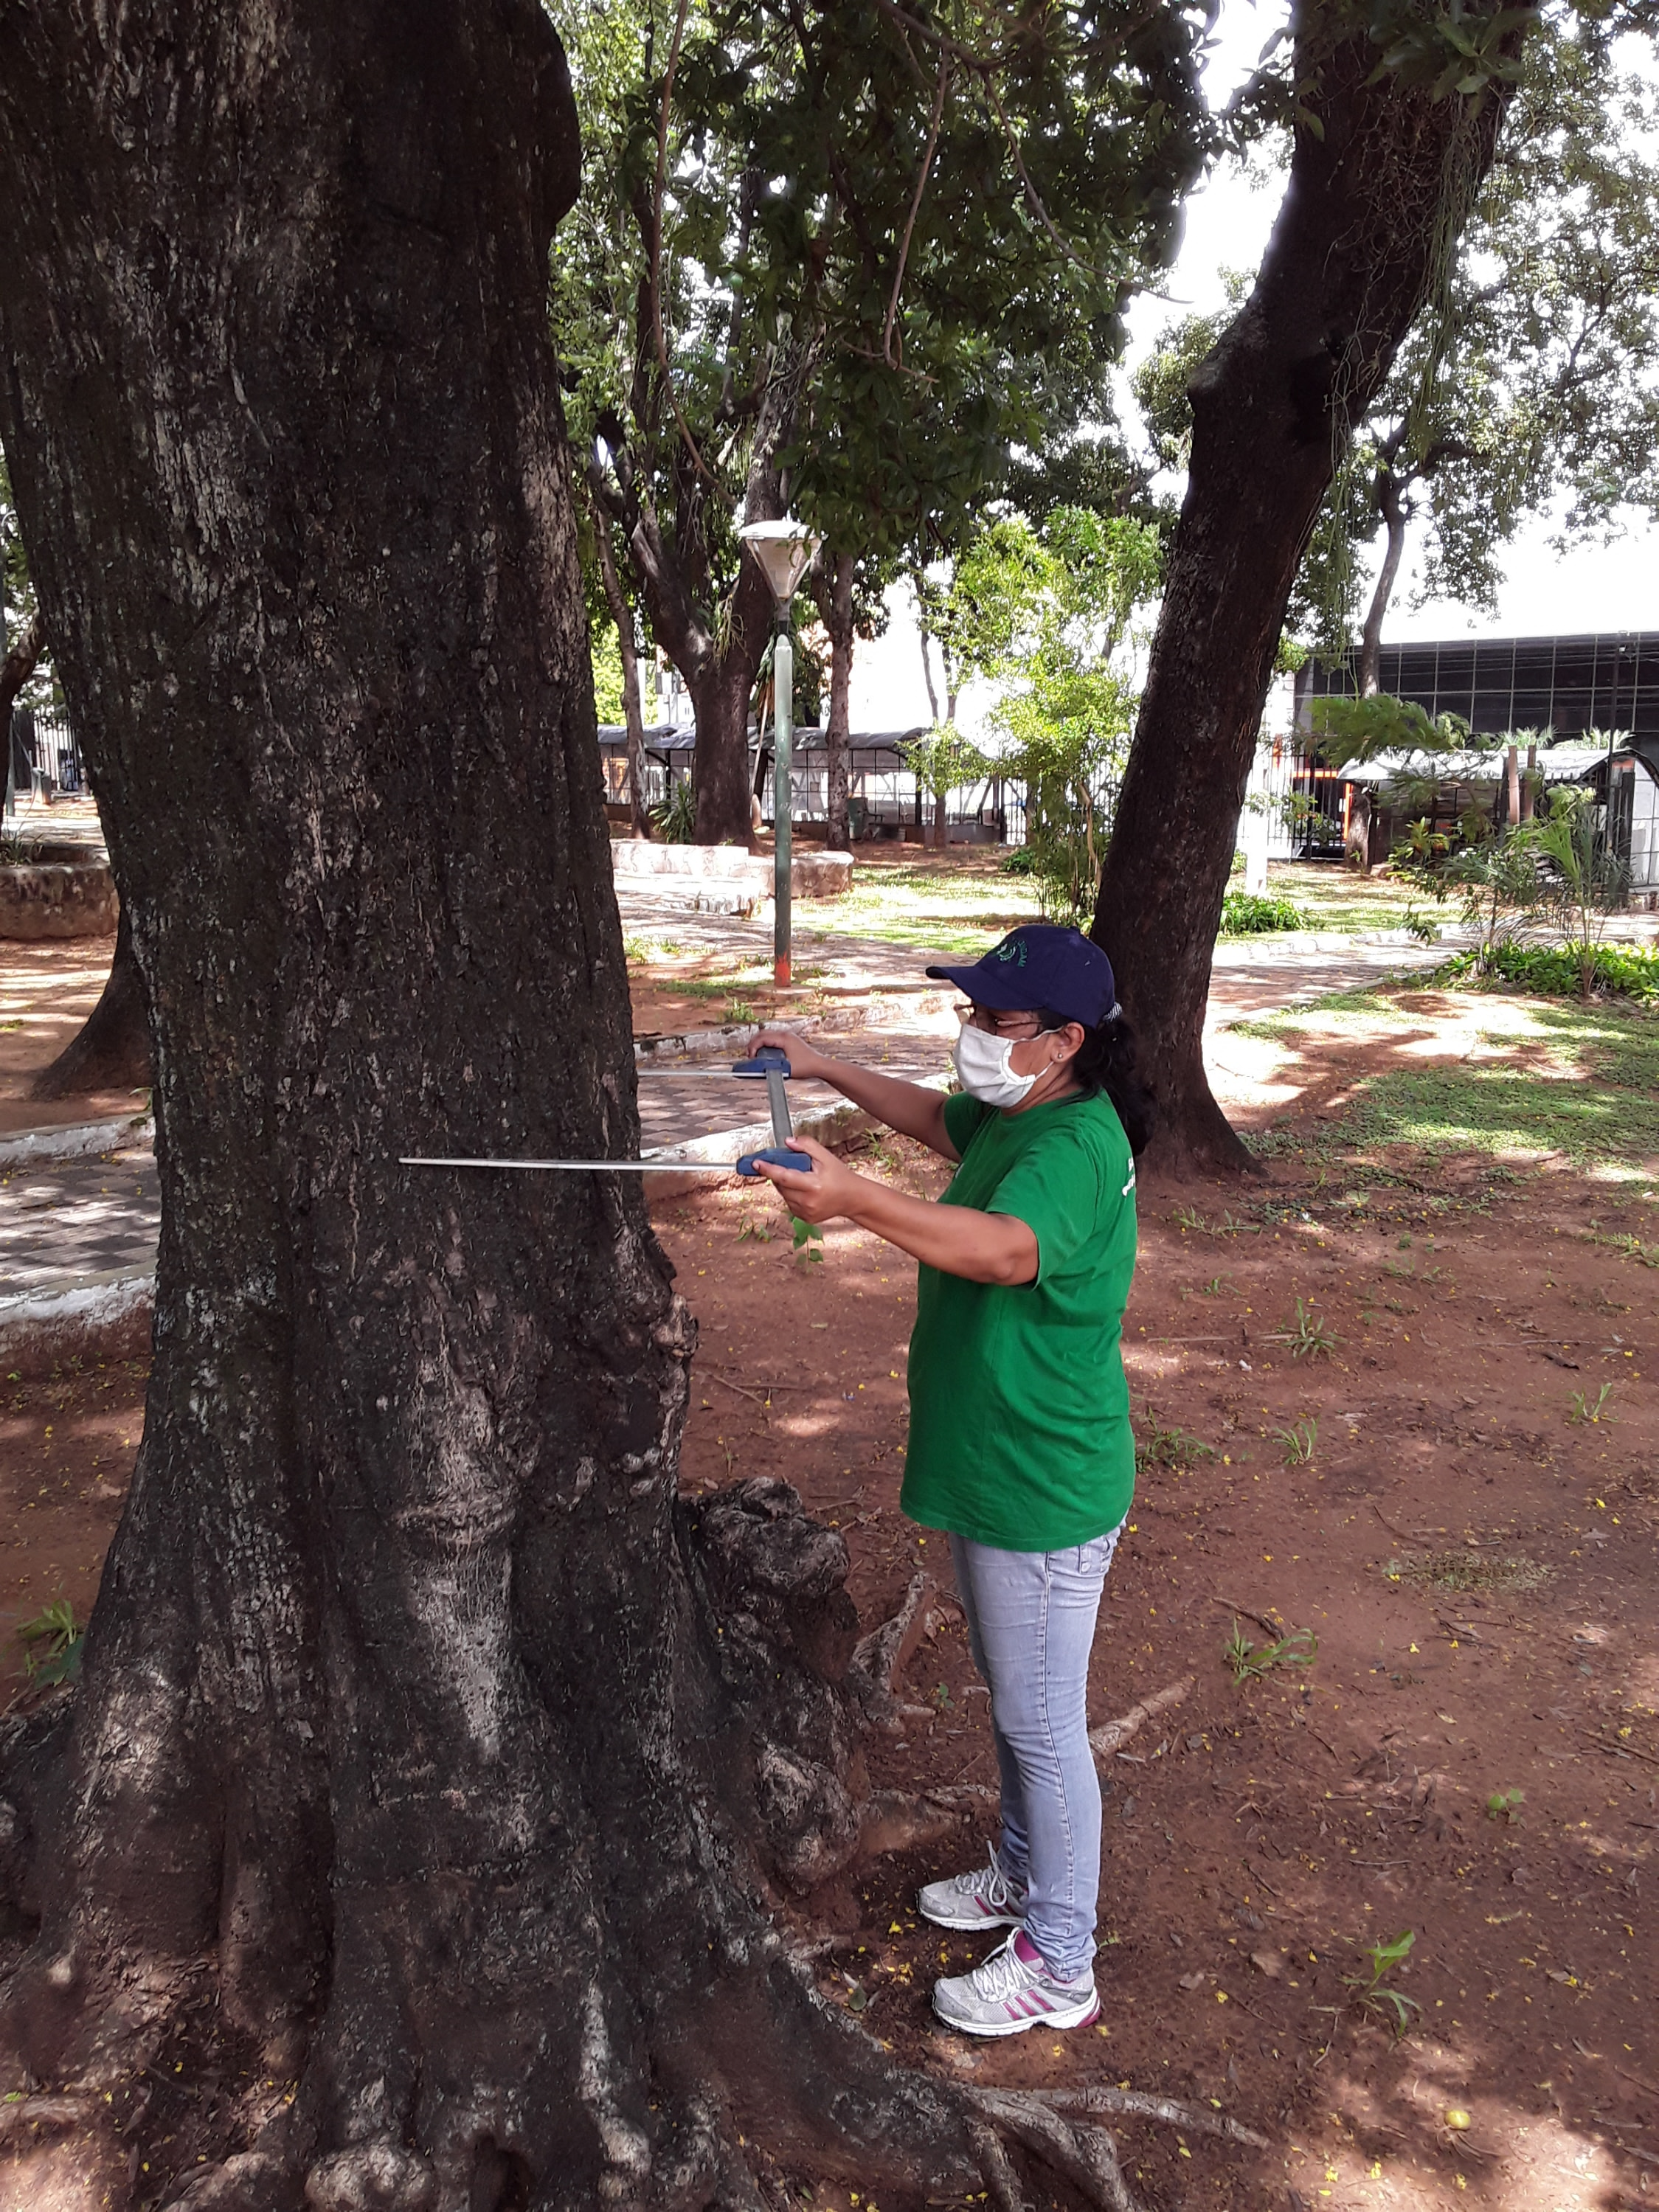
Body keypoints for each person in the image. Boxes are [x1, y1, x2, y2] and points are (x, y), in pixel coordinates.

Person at [749, 922, 1150, 2039]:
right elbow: (936, 1118)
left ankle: (1061, 1959)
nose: (972, 1035)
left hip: (1044, 1483)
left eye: (996, 1020)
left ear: (1065, 1040)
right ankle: (1024, 1876)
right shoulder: (1028, 1107)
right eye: (967, 1012)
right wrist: (827, 1066)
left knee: (1040, 1725)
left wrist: (855, 1202)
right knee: (1017, 1701)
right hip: (1002, 1469)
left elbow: (1001, 1249)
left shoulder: (1069, 1149)